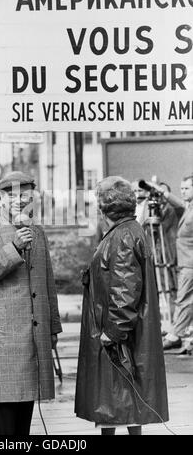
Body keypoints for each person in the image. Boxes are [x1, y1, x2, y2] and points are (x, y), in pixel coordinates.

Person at [0, 171, 62, 435]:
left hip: (32, 343)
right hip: (1, 346)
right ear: (1, 198)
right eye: (12, 195)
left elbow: (47, 283)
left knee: (22, 429)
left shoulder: (37, 232)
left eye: (25, 194)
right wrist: (14, 247)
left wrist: (53, 328)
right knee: (2, 427)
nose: (19, 200)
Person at [75, 176, 169, 435]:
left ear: (105, 207)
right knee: (125, 403)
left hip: (118, 335)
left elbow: (125, 289)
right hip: (123, 331)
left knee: (115, 400)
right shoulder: (127, 231)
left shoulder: (122, 236)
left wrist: (112, 333)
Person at [149, 176, 193, 350]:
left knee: (183, 299)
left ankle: (175, 335)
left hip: (190, 263)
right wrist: (162, 192)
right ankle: (179, 334)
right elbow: (179, 204)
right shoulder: (188, 207)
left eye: (187, 188)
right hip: (185, 261)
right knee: (186, 299)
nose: (182, 192)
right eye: (181, 188)